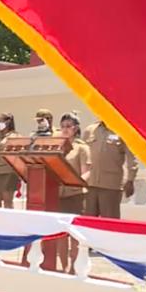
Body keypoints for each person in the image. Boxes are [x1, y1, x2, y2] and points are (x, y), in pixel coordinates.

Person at [82, 120, 138, 219]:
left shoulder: (123, 130)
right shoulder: (90, 130)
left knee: (109, 223)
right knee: (88, 223)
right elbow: (82, 153)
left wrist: (130, 180)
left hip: (111, 186)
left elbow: (131, 157)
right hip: (90, 185)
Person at [57, 112, 91, 273]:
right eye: (62, 126)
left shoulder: (81, 148)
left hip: (75, 195)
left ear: (76, 128)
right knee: (60, 235)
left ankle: (74, 268)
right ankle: (63, 267)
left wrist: (76, 182)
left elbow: (87, 171)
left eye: (68, 126)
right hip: (57, 195)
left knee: (74, 235)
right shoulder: (55, 145)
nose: (64, 129)